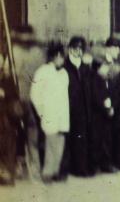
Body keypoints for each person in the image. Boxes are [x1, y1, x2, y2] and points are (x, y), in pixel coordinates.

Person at [31, 43, 69, 183]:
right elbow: (35, 94)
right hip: (49, 114)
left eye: (62, 56)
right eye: (57, 56)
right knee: (50, 144)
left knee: (60, 144)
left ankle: (55, 171)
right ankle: (47, 172)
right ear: (52, 57)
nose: (60, 59)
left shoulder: (64, 73)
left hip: (62, 115)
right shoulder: (43, 71)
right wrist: (42, 111)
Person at [64, 36, 92, 177]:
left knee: (82, 139)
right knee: (69, 138)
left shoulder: (86, 67)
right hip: (69, 107)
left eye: (81, 49)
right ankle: (69, 168)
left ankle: (81, 168)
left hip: (84, 108)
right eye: (76, 48)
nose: (79, 51)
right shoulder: (65, 66)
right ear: (70, 49)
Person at [88, 54, 115, 173]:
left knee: (105, 140)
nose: (107, 69)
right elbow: (97, 98)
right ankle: (96, 165)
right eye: (105, 66)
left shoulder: (103, 79)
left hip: (103, 115)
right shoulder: (95, 80)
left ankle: (104, 164)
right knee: (97, 141)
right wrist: (107, 109)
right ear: (98, 67)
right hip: (97, 115)